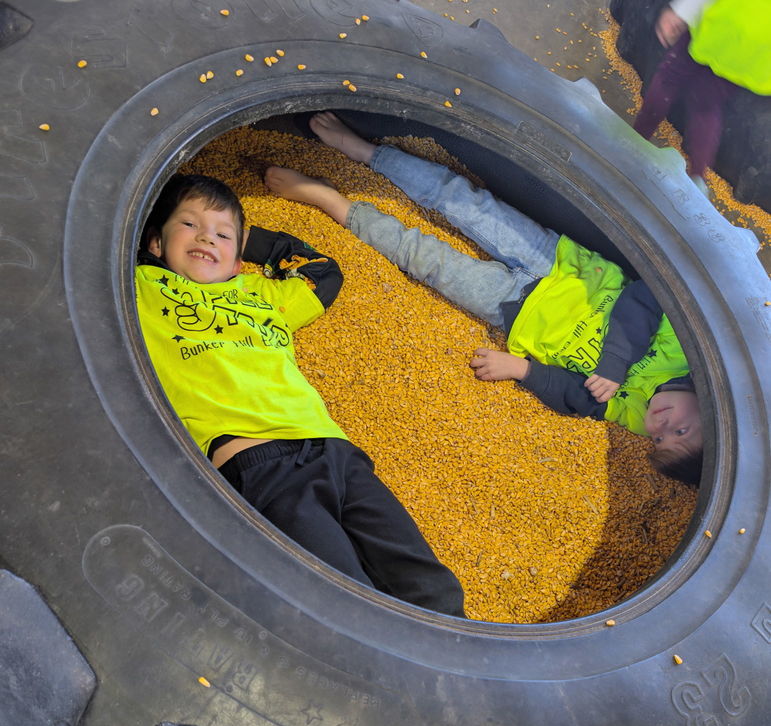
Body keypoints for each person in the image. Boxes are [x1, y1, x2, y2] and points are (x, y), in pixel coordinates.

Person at [265, 112, 703, 486]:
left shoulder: (631, 413)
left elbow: (577, 398)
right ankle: (364, 151)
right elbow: (645, 298)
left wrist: (524, 370)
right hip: (562, 265)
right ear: (712, 416)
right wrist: (614, 364)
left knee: (424, 261)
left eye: (660, 440)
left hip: (514, 310)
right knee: (461, 200)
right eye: (679, 429)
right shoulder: (684, 355)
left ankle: (331, 202)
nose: (660, 426)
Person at [136, 172, 465, 616]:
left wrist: (244, 239)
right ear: (156, 243)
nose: (206, 238)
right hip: (259, 461)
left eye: (221, 233)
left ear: (237, 260)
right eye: (189, 225)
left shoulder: (263, 294)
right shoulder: (143, 288)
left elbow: (324, 271)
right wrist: (207, 232)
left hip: (337, 454)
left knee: (433, 589)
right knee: (343, 597)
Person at [633, 0, 771, 194]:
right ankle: (696, 179)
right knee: (706, 104)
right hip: (752, 53)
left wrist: (680, 12)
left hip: (722, 25)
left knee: (669, 77)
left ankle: (635, 140)